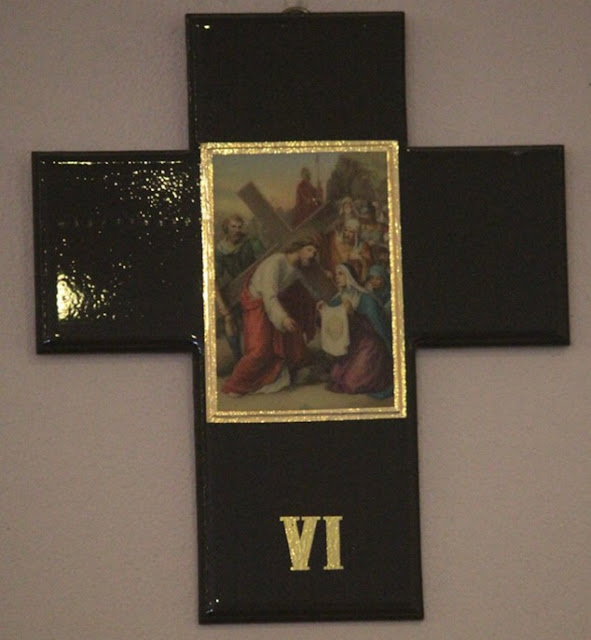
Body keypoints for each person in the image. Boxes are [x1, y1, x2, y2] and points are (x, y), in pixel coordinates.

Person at [221, 236, 321, 395]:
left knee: (286, 345)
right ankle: (235, 385)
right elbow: (269, 295)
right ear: (298, 249)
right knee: (259, 350)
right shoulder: (275, 263)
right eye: (309, 250)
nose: (312, 255)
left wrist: (319, 301)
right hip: (256, 306)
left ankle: (277, 376)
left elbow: (307, 288)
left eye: (315, 252)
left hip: (272, 307)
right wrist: (283, 318)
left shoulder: (295, 269)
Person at [320, 263, 393, 398]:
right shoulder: (338, 298)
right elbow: (331, 320)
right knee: (336, 376)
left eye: (341, 274)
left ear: (349, 276)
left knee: (351, 383)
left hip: (370, 345)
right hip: (353, 344)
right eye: (336, 274)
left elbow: (377, 327)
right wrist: (322, 310)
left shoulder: (365, 298)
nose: (337, 277)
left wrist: (352, 314)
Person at [215, 214, 265, 362]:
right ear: (226, 228)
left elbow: (265, 265)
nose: (237, 230)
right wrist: (222, 306)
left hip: (256, 285)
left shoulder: (252, 243)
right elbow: (213, 278)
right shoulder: (220, 250)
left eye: (239, 227)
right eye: (233, 227)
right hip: (237, 289)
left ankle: (263, 356)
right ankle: (238, 359)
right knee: (229, 320)